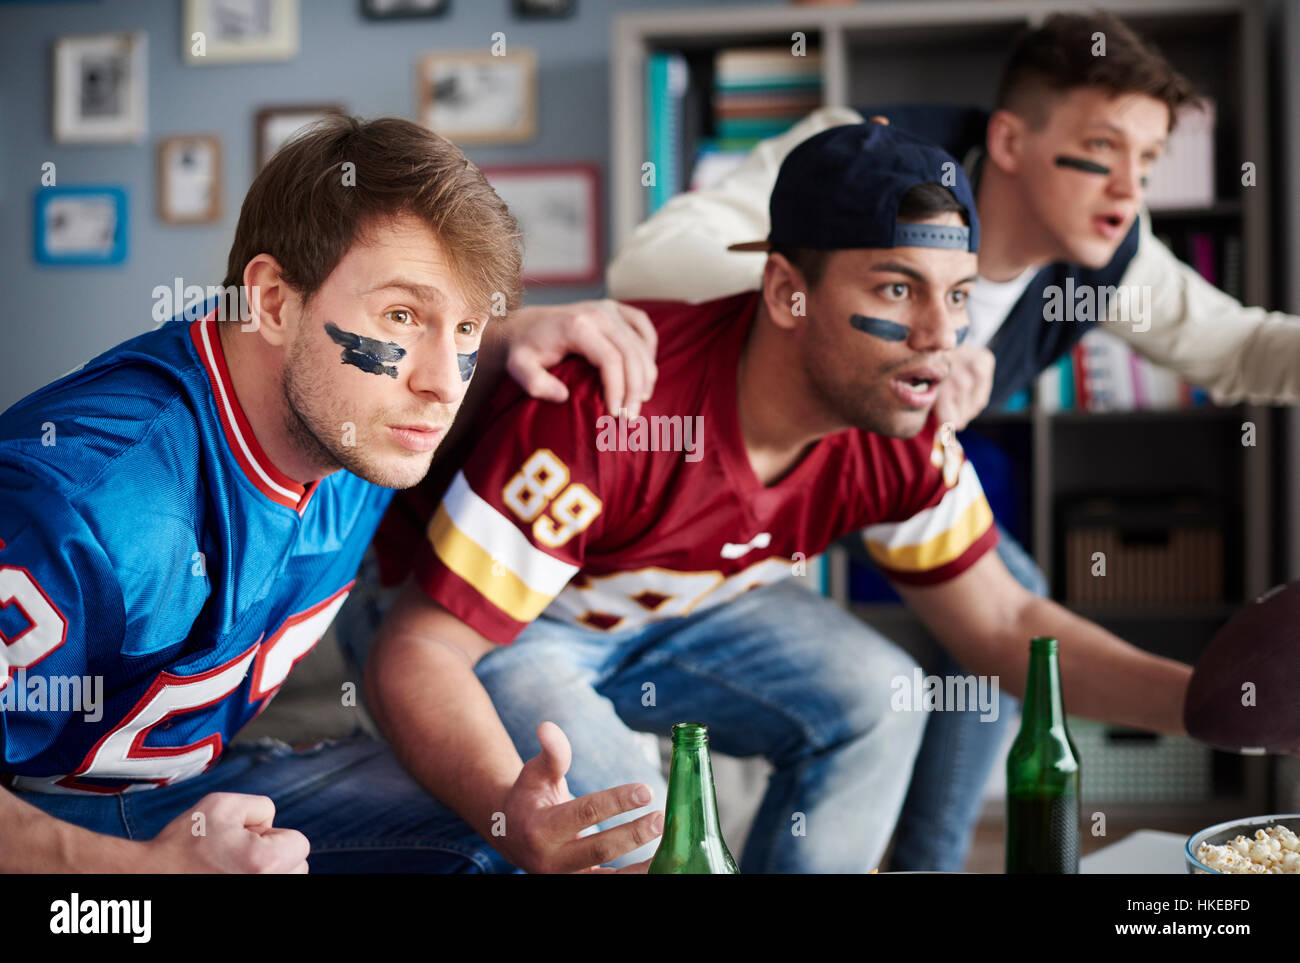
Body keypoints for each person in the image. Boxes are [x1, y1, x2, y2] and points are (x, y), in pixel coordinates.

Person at [343, 122, 1196, 874]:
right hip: (496, 622)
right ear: (788, 290)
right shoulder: (620, 405)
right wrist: (506, 804)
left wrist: (1218, 701)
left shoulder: (900, 423)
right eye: (898, 290)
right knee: (648, 835)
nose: (943, 339)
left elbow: (1009, 628)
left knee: (879, 699)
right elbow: (418, 651)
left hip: (670, 611)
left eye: (960, 295)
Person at [604, 10, 1300, 872]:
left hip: (889, 464)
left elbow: (1239, 348)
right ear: (1008, 140)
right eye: (1105, 150)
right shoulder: (864, 163)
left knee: (1007, 606)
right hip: (772, 439)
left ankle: (926, 859)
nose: (1130, 189)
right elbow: (653, 261)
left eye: (1150, 164)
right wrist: (871, 329)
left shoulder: (1107, 254)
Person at [0, 115, 663, 874]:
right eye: (402, 317)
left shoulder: (361, 418)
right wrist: (143, 876)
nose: (444, 383)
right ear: (274, 302)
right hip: (57, 830)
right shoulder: (91, 498)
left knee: (529, 831)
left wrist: (529, 329)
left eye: (468, 327)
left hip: (196, 786)